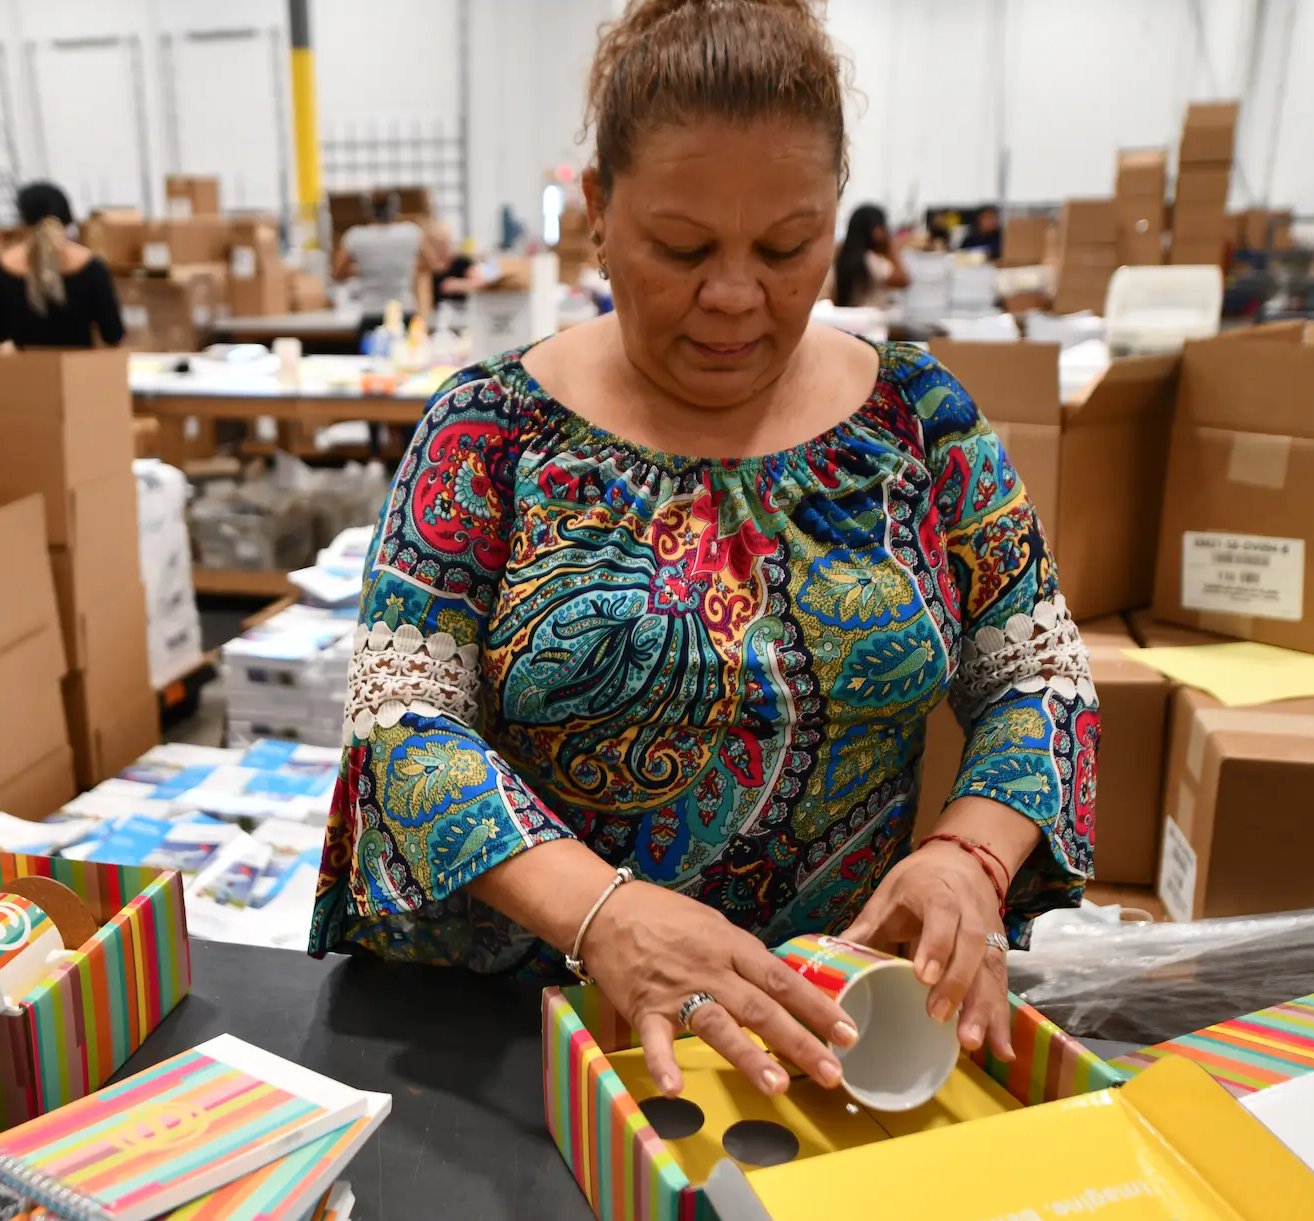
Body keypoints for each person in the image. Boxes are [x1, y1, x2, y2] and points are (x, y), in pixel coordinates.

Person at [315, 0, 1095, 1103]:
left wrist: (968, 854)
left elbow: (1036, 673)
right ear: (597, 211)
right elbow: (401, 718)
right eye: (681, 248)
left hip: (828, 1048)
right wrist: (601, 911)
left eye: (787, 247)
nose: (733, 297)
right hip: (526, 1046)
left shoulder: (918, 420)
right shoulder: (491, 428)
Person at [0, 182, 124, 349]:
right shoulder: (91, 267)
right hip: (79, 371)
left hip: (23, 372)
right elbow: (113, 335)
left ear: (23, 220)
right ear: (67, 217)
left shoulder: (1, 269)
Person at [333, 195, 427, 344]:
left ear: (368, 210)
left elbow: (337, 273)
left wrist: (363, 269)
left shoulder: (355, 236)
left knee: (369, 365)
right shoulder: (411, 232)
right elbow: (433, 264)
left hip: (371, 313)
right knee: (407, 362)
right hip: (405, 311)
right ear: (395, 209)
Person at [825, 202, 911, 309]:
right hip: (870, 318)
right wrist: (892, 248)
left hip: (846, 316)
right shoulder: (870, 261)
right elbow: (902, 280)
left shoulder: (841, 257)